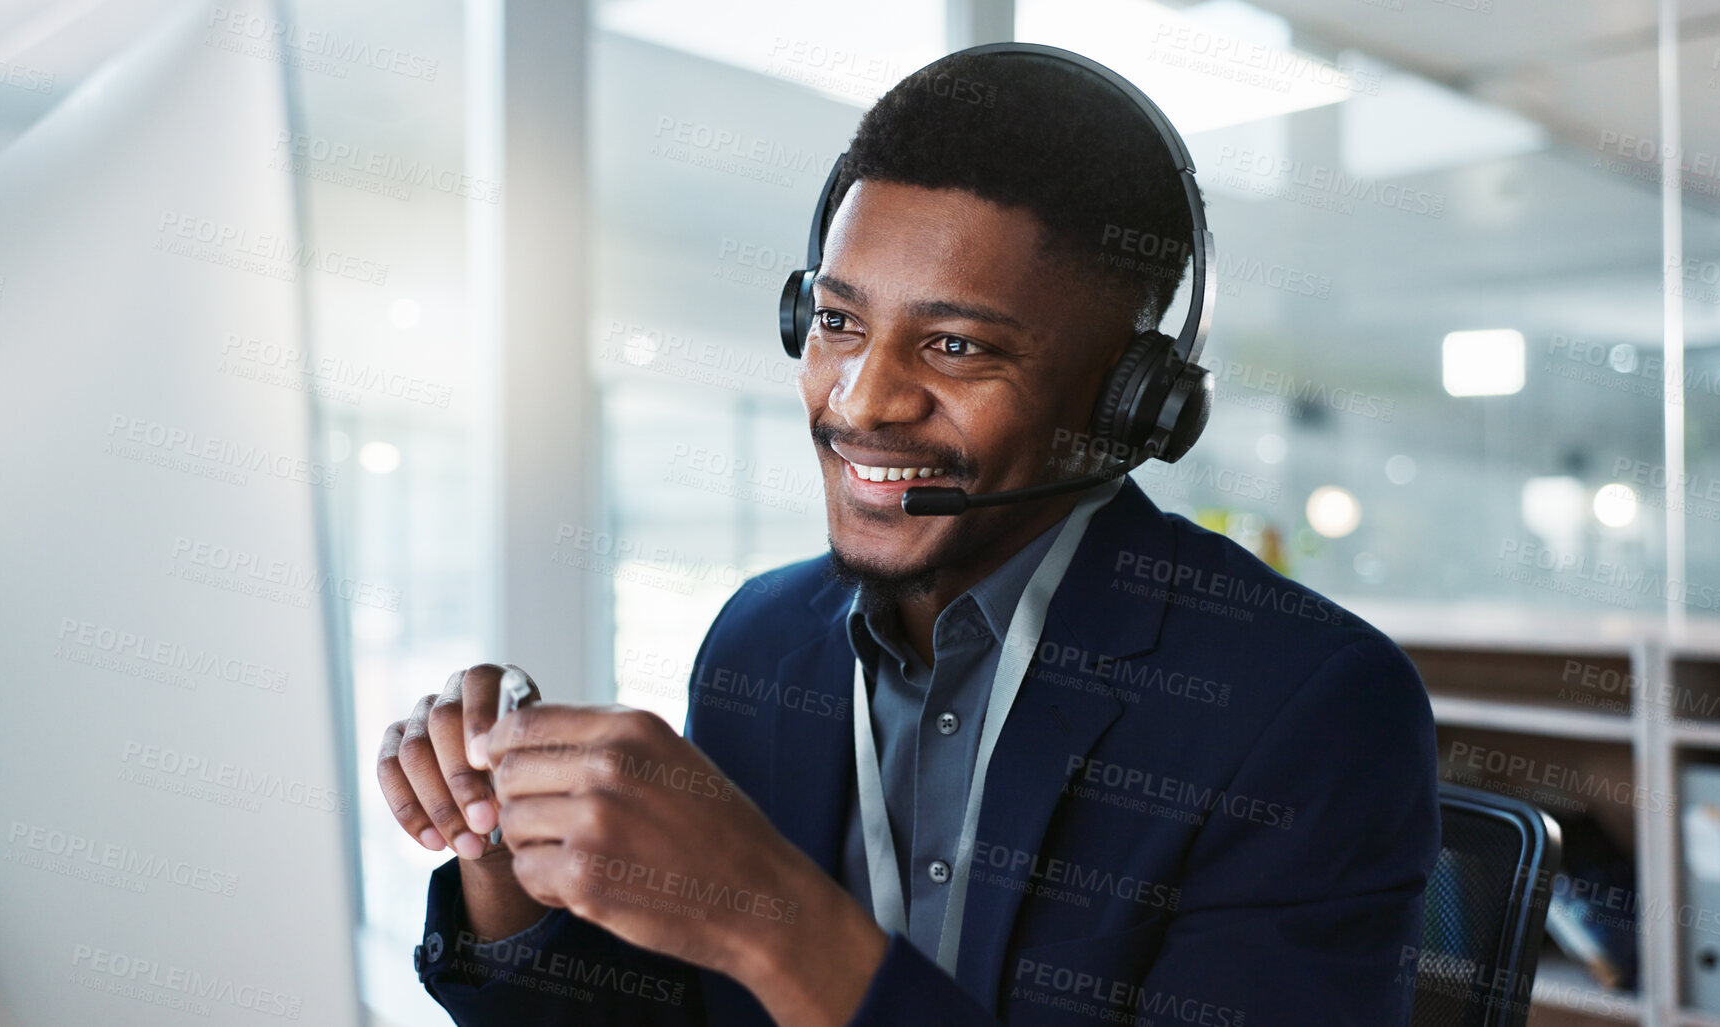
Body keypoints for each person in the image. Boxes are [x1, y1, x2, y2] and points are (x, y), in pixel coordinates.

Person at [379, 45, 1438, 1026]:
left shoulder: (1306, 707)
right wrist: (509, 866)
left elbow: (764, 944)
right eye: (837, 321)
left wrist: (772, 916)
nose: (862, 400)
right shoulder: (762, 638)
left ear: (1128, 401)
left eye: (955, 344)